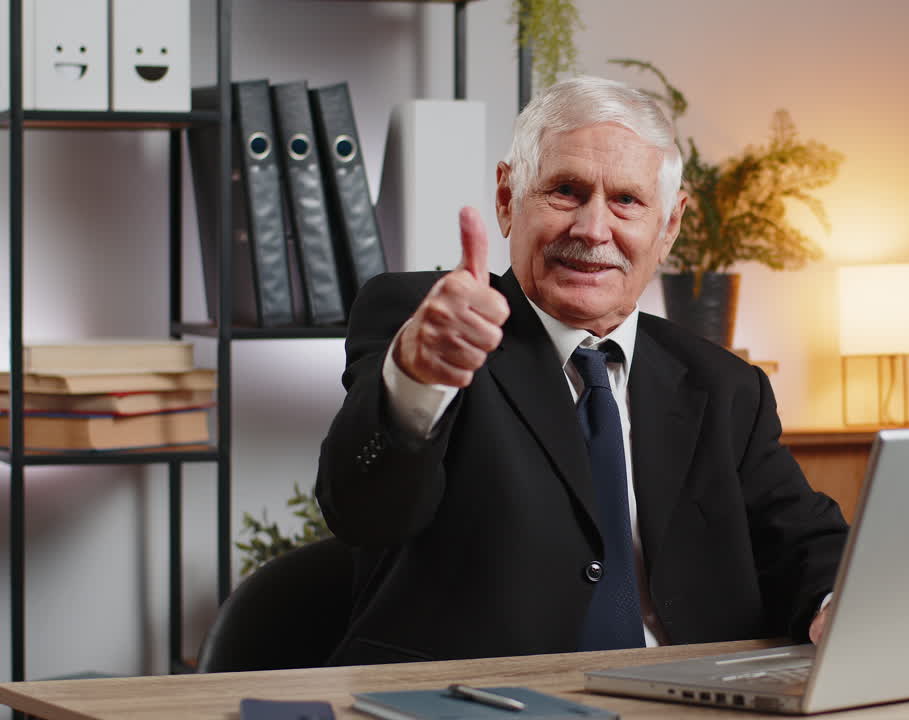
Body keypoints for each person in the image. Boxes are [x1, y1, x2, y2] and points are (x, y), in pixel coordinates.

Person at [315, 75, 848, 666]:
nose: (594, 229)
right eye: (566, 191)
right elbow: (360, 510)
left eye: (627, 200)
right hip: (480, 703)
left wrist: (833, 603)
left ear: (669, 225)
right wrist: (417, 380)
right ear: (506, 199)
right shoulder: (428, 324)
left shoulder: (726, 387)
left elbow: (804, 542)